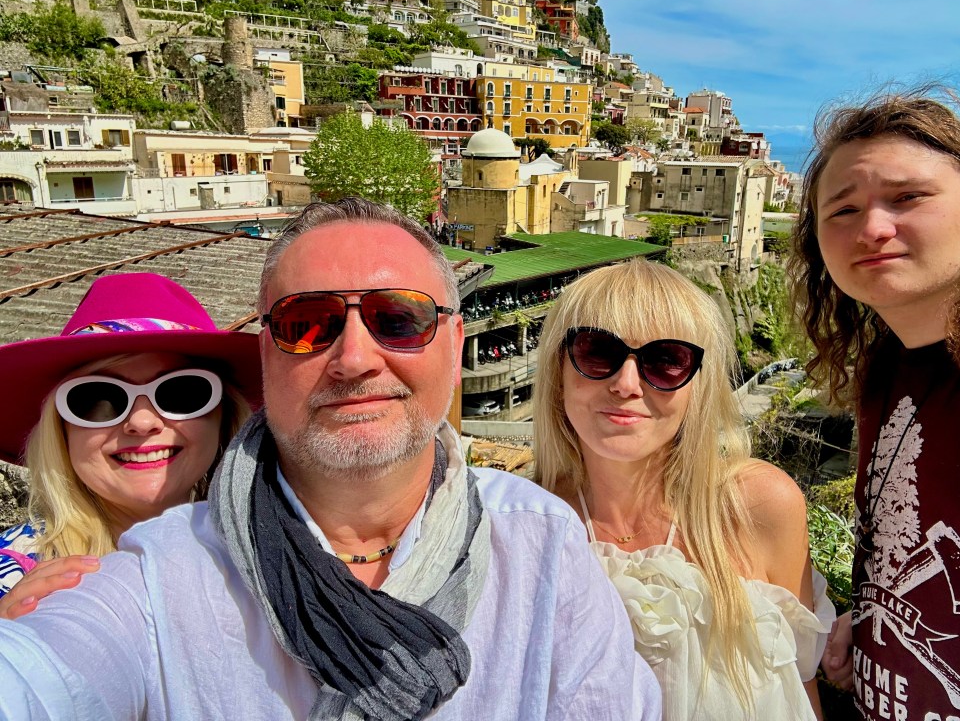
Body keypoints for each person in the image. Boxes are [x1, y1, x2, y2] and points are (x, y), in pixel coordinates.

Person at [0, 198, 660, 721]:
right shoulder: (152, 575)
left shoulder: (541, 544)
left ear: (455, 343)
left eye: (399, 319)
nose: (354, 358)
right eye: (306, 324)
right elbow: (44, 675)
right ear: (267, 355)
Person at [791, 87, 960, 720]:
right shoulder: (887, 370)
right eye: (842, 210)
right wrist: (868, 627)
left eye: (908, 197)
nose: (872, 228)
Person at [533, 259, 836, 720]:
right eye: (597, 351)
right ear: (558, 373)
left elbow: (800, 688)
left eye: (665, 361)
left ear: (699, 385)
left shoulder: (760, 507)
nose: (626, 385)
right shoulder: (524, 525)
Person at [0, 272, 260, 619]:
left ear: (224, 416)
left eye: (182, 392)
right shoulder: (11, 581)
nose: (142, 421)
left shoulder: (279, 552)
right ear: (61, 429)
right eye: (98, 399)